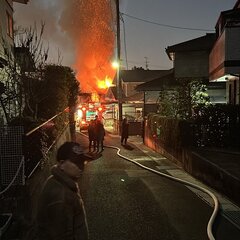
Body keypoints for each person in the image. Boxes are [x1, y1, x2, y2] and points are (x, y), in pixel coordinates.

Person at [36, 141, 89, 240]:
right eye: (75, 162)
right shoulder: (61, 196)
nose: (81, 166)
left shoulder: (57, 182)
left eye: (82, 161)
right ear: (61, 164)